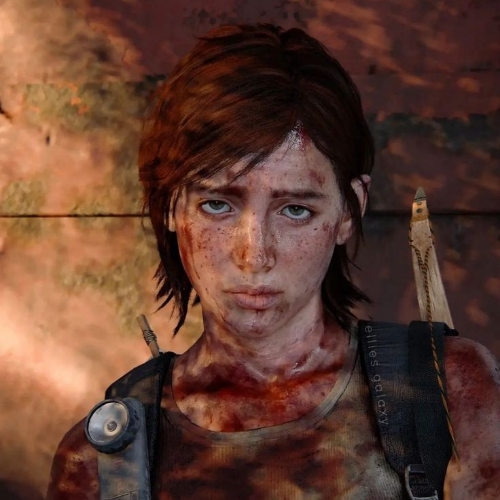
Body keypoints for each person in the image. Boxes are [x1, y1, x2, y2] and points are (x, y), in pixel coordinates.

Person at [45, 23, 500, 500]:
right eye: (217, 204)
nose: (254, 255)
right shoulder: (103, 458)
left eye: (295, 210)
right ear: (172, 206)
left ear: (349, 210)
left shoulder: (448, 393)